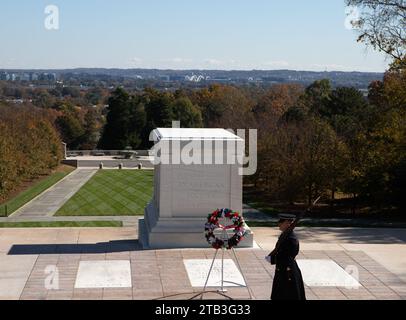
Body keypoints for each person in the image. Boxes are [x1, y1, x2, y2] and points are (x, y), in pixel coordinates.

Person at [266, 213, 306, 300]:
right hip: (282, 270)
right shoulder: (285, 235)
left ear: (288, 223)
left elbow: (287, 257)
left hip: (288, 272)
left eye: (281, 222)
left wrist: (273, 258)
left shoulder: (291, 239)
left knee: (290, 295)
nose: (278, 224)